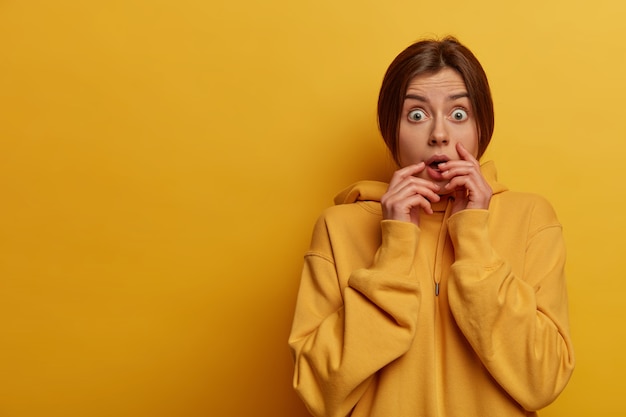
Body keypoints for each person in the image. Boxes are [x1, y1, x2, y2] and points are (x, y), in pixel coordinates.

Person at [288, 37, 575, 417]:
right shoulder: (338, 227)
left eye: (459, 114)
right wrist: (394, 250)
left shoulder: (531, 218)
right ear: (392, 129)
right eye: (417, 115)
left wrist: (473, 235)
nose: (439, 134)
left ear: (481, 126)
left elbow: (543, 380)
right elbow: (319, 391)